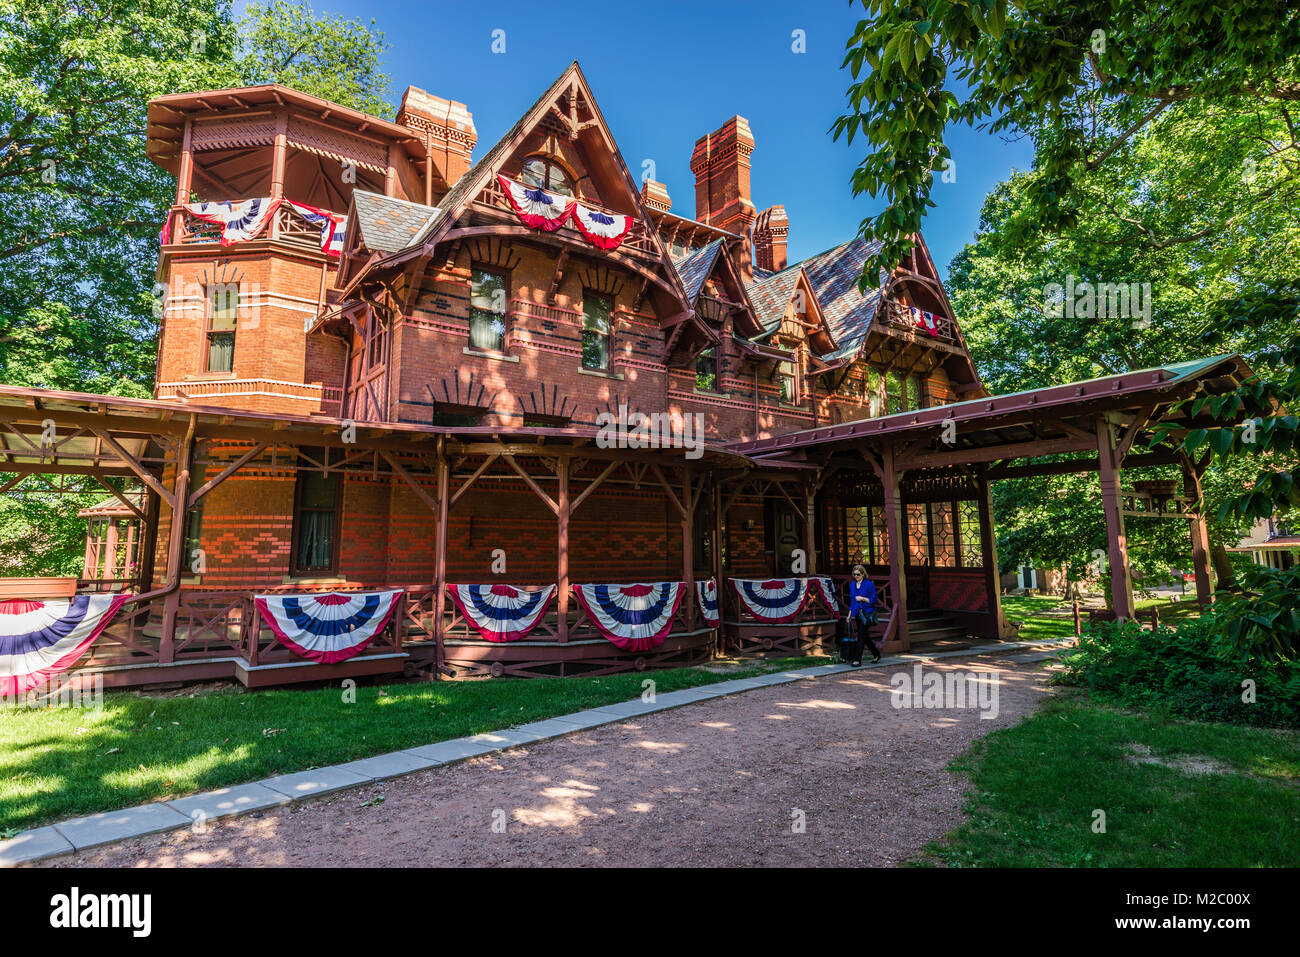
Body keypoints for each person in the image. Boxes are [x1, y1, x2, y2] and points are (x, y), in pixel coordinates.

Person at [846, 564, 879, 664]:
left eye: (858, 574)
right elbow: (852, 601)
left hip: (867, 614)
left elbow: (874, 599)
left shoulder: (869, 584)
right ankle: (876, 654)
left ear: (863, 574)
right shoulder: (852, 585)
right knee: (865, 636)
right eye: (854, 574)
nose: (856, 576)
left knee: (860, 636)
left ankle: (857, 660)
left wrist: (863, 598)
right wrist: (849, 615)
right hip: (857, 613)